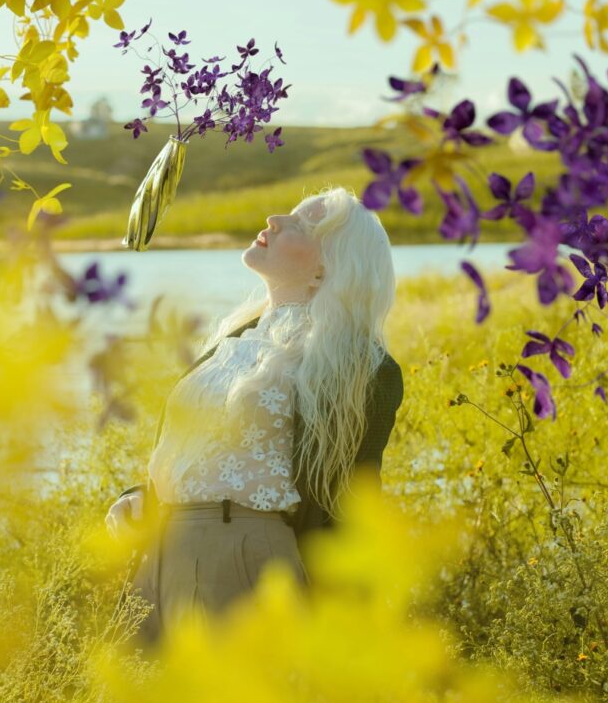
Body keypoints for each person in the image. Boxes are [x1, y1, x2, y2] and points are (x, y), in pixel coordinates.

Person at [106, 186, 404, 648]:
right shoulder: (232, 341)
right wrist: (140, 497)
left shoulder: (359, 367)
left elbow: (349, 501)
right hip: (159, 556)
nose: (273, 220)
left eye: (302, 226)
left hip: (245, 561)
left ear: (329, 267)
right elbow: (201, 455)